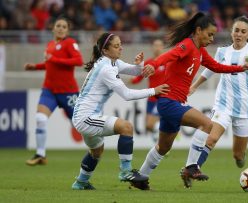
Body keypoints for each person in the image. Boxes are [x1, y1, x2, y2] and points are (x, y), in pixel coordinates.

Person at [137, 12, 248, 190]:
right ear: (198, 30)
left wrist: (240, 68)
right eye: (209, 34)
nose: (212, 38)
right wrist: (154, 64)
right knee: (207, 124)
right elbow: (169, 55)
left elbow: (216, 66)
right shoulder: (187, 45)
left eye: (214, 35)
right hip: (169, 102)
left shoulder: (200, 51)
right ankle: (192, 167)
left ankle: (140, 178)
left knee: (164, 147)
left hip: (173, 103)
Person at [180, 15, 248, 188]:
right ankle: (191, 169)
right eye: (236, 30)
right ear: (231, 32)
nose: (239, 34)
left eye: (243, 31)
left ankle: (239, 158)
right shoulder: (222, 51)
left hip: (245, 109)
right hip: (223, 104)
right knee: (211, 139)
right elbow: (210, 69)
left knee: (238, 156)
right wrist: (194, 86)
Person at [71, 32, 170, 190]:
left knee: (96, 151)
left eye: (120, 44)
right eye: (116, 46)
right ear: (105, 50)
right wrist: (154, 90)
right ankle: (125, 171)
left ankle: (80, 182)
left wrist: (139, 64)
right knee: (126, 127)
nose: (121, 48)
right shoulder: (106, 69)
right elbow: (127, 94)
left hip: (85, 115)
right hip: (85, 117)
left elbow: (136, 71)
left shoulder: (111, 62)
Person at [24, 17, 84, 166]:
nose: (61, 28)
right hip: (49, 90)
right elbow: (50, 64)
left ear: (68, 31)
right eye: (58, 26)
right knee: (40, 119)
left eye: (64, 26)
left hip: (68, 92)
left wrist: (54, 59)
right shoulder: (50, 44)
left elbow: (79, 61)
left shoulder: (70, 43)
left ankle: (98, 145)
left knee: (81, 125)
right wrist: (36, 66)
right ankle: (40, 154)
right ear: (53, 28)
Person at [130, 39, 166, 143]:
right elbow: (139, 78)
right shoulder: (149, 63)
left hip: (162, 97)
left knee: (151, 123)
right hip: (151, 97)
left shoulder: (167, 62)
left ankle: (162, 143)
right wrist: (132, 81)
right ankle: (170, 133)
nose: (157, 48)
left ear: (162, 47)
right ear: (152, 47)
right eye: (155, 45)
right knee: (148, 126)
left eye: (159, 45)